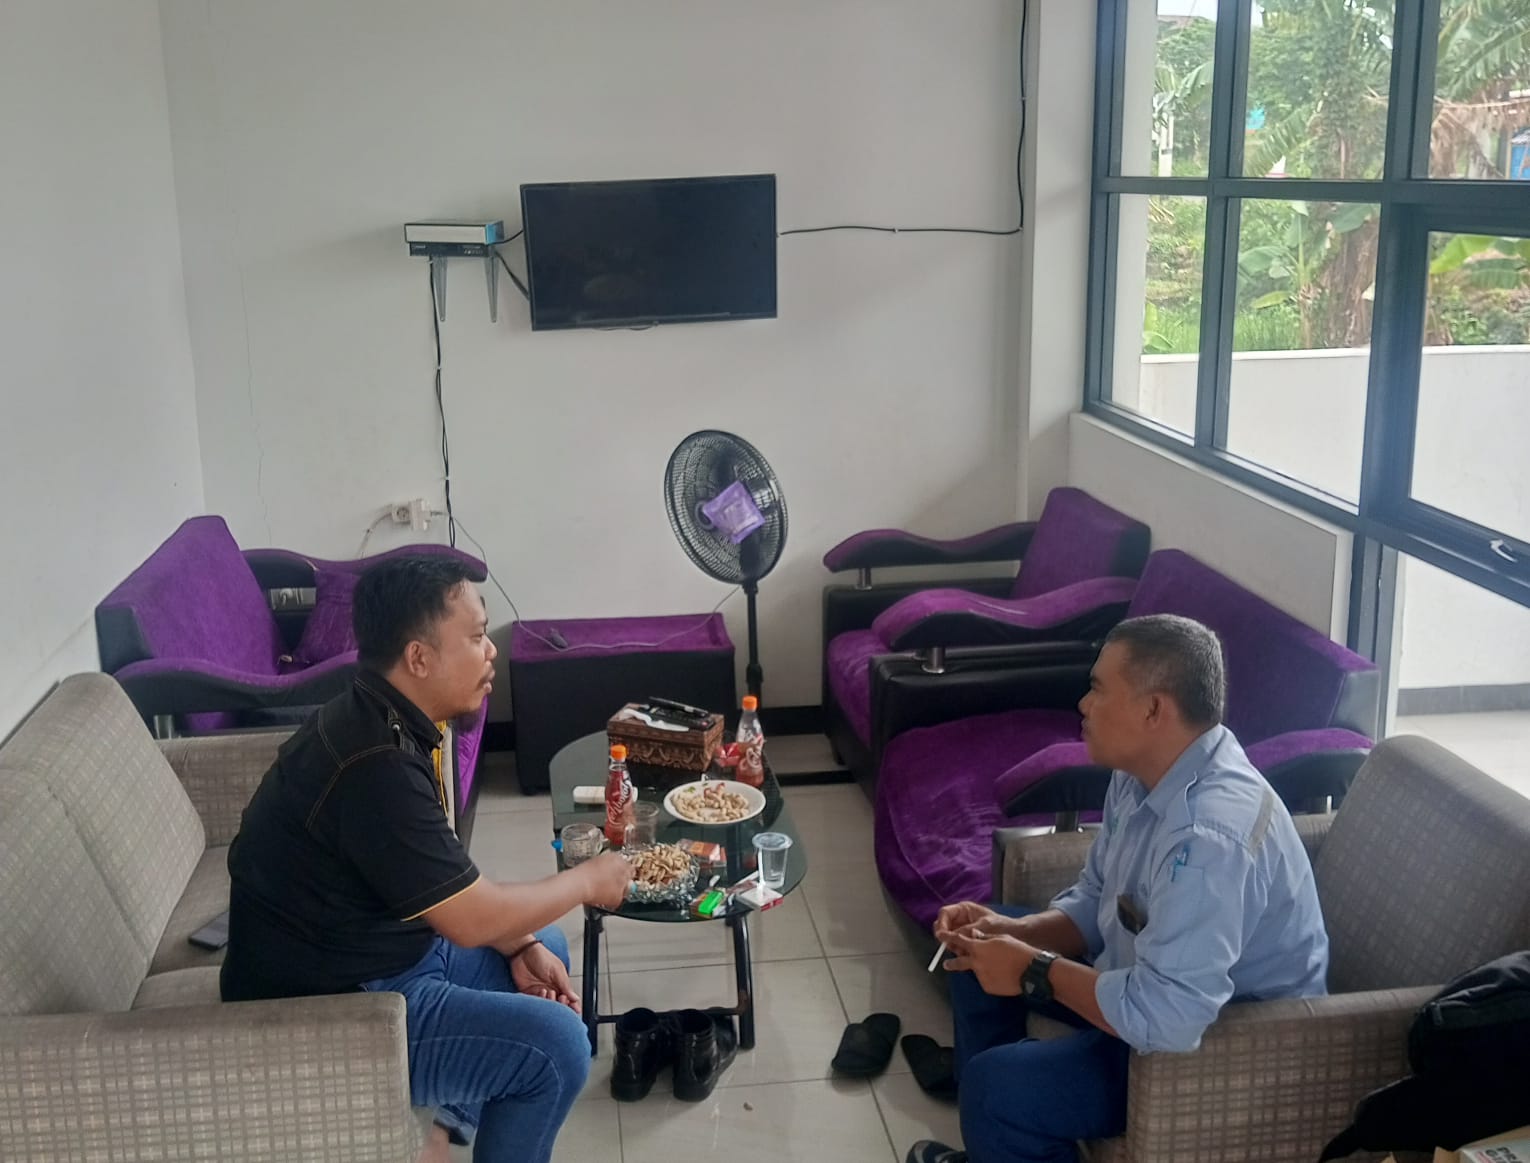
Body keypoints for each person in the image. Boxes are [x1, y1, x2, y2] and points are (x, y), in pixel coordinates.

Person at [221, 555, 633, 1163]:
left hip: (378, 946)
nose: (490, 651)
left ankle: (444, 1120)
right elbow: (469, 919)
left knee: (541, 944)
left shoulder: (379, 714)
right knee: (557, 1048)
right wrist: (589, 880)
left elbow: (438, 884)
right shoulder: (375, 767)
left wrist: (520, 944)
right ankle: (456, 1111)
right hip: (332, 1004)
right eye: (475, 637)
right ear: (418, 658)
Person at [908, 614, 1330, 1163]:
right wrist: (1015, 932)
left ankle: (1005, 1118)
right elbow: (1098, 898)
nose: (1083, 704)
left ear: (1153, 710)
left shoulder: (1208, 839)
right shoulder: (1139, 775)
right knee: (975, 958)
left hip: (1225, 1041)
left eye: (1098, 689)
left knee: (997, 1089)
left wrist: (1033, 968)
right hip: (1146, 981)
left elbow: (1167, 1017)